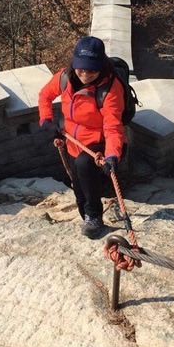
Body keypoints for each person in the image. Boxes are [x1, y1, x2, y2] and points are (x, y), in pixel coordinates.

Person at [38, 36, 125, 239]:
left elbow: (113, 127)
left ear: (101, 66)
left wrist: (112, 155)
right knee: (78, 188)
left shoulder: (110, 89)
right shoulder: (64, 77)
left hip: (99, 141)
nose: (85, 74)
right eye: (81, 69)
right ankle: (86, 215)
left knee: (86, 166)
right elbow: (45, 95)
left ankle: (94, 217)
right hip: (73, 143)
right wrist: (46, 121)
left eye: (92, 70)